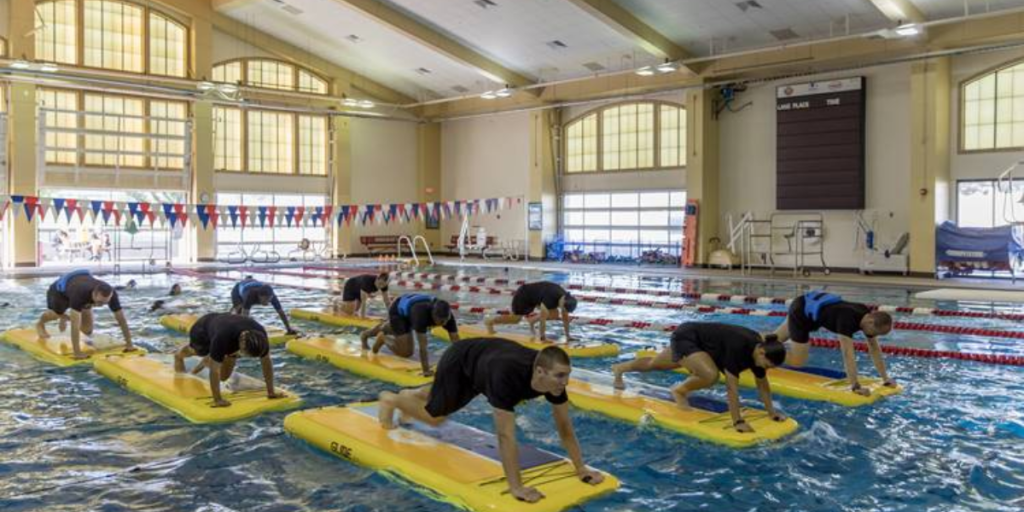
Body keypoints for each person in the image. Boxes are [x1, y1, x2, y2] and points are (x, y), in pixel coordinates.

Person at [377, 339, 604, 503]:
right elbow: (505, 436)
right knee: (436, 419)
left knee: (442, 396)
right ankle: (390, 398)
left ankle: (410, 395)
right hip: (461, 362)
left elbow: (565, 427)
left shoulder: (554, 385)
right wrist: (516, 487)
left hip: (484, 362)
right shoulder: (507, 377)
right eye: (560, 376)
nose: (565, 382)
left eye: (567, 374)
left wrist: (581, 468)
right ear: (540, 371)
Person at [611, 322, 788, 433]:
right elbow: (731, 388)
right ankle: (680, 391)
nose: (766, 369)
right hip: (687, 336)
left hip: (703, 346)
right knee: (710, 375)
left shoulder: (759, 355)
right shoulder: (739, 348)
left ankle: (619, 368)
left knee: (654, 364)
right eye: (768, 365)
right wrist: (738, 421)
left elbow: (763, 386)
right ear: (761, 352)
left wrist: (771, 412)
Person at [773, 291, 896, 396]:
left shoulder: (866, 314)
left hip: (811, 308)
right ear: (870, 321)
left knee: (774, 339)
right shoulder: (847, 319)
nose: (874, 336)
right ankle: (768, 355)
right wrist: (855, 386)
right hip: (802, 312)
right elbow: (848, 354)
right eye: (875, 332)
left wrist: (885, 378)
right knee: (797, 361)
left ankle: (756, 347)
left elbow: (874, 348)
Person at [173, 313, 281, 408]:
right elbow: (215, 370)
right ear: (241, 342)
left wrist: (271, 392)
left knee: (224, 377)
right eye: (244, 352)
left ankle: (208, 360)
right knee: (199, 352)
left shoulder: (260, 337)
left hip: (230, 330)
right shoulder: (222, 337)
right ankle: (178, 355)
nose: (242, 356)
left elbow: (266, 362)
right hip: (203, 328)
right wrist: (217, 399)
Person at [36, 269, 134, 359]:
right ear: (93, 294)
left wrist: (129, 344)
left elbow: (121, 319)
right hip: (59, 293)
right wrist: (77, 352)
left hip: (82, 290)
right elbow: (75, 325)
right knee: (55, 314)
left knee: (87, 330)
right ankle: (40, 324)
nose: (101, 305)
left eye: (105, 303)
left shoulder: (111, 295)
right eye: (99, 302)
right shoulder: (80, 294)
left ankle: (65, 317)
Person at [359, 294, 459, 377]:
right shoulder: (421, 315)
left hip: (410, 310)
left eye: (446, 320)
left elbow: (457, 344)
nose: (444, 323)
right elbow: (423, 347)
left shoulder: (447, 317)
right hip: (398, 312)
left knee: (391, 328)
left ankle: (374, 331)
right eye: (441, 321)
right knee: (406, 352)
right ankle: (382, 337)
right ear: (433, 315)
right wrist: (426, 371)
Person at [484, 281, 578, 342]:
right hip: (524, 295)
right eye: (563, 308)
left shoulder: (566, 299)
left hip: (536, 297)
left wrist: (568, 336)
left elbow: (565, 318)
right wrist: (543, 338)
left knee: (554, 314)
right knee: (515, 319)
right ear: (562, 302)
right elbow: (542, 319)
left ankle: (532, 320)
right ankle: (489, 322)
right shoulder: (550, 298)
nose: (563, 311)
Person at [230, 277, 298, 335]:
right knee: (239, 311)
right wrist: (245, 333)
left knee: (243, 312)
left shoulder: (272, 297)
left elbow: (281, 313)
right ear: (259, 296)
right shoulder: (250, 295)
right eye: (265, 300)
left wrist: (289, 329)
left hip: (252, 282)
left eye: (269, 300)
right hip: (238, 289)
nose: (267, 302)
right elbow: (245, 316)